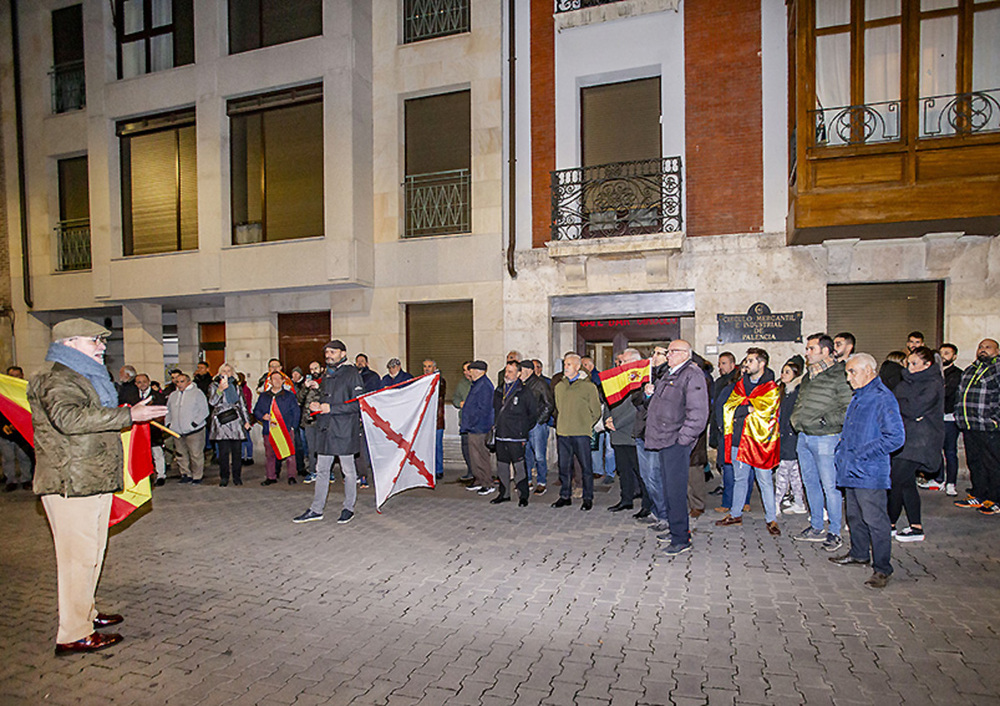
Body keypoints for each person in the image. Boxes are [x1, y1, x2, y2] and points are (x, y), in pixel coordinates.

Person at [28, 318, 167, 655]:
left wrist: (126, 413)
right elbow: (70, 420)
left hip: (90, 478)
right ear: (70, 343)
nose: (103, 346)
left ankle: (85, 613)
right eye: (95, 341)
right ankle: (73, 633)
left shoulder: (83, 376)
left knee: (91, 554)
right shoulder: (56, 378)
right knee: (77, 559)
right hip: (70, 482)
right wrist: (127, 417)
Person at [829, 353, 905, 590]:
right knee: (854, 515)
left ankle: (882, 568)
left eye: (852, 372)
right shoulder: (860, 395)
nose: (848, 378)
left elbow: (895, 437)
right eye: (847, 372)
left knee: (875, 520)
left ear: (869, 371)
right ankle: (859, 553)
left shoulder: (882, 398)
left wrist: (863, 452)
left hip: (870, 471)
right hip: (851, 468)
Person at [644, 340, 709, 556]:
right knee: (669, 489)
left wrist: (683, 439)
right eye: (668, 351)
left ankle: (681, 538)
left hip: (675, 441)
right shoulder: (670, 373)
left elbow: (698, 413)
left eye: (672, 351)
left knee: (676, 491)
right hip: (664, 439)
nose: (668, 355)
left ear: (685, 354)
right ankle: (674, 529)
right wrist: (649, 394)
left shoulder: (692, 374)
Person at [790, 333, 853, 553]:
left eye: (811, 349)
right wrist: (796, 420)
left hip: (826, 437)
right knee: (810, 483)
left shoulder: (839, 375)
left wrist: (826, 421)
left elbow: (849, 408)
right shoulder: (809, 376)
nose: (806, 353)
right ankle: (817, 526)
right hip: (805, 436)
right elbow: (801, 402)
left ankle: (834, 531)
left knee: (830, 486)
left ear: (825, 351)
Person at [293, 340, 364, 524]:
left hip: (344, 430)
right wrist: (317, 404)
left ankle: (348, 508)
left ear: (343, 353)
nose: (328, 355)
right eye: (327, 352)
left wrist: (330, 408)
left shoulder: (352, 373)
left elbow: (358, 404)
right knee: (321, 470)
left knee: (348, 472)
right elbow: (327, 399)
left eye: (333, 352)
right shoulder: (326, 375)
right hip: (325, 430)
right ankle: (316, 509)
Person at [715, 348, 782, 536]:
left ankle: (771, 519)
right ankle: (735, 514)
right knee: (739, 479)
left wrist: (744, 409)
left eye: (751, 361)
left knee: (765, 481)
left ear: (762, 364)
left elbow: (767, 412)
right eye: (746, 360)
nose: (746, 364)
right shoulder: (740, 386)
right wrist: (748, 408)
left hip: (759, 442)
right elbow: (729, 408)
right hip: (738, 439)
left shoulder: (770, 387)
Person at [888, 346, 944, 542]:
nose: (909, 367)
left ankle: (890, 523)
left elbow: (913, 408)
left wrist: (903, 405)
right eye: (908, 363)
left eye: (914, 364)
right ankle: (915, 526)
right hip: (906, 438)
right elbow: (893, 401)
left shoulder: (934, 383)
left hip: (920, 441)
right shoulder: (907, 381)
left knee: (895, 480)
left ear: (927, 365)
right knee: (906, 483)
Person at [953, 338, 1000, 515]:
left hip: (989, 426)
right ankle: (979, 494)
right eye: (980, 347)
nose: (983, 350)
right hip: (969, 424)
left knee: (993, 464)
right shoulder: (971, 369)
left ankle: (995, 499)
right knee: (975, 462)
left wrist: (996, 419)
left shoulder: (997, 368)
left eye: (988, 347)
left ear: (997, 351)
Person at [551, 353, 602, 511]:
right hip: (563, 432)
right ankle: (565, 495)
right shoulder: (560, 386)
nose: (565, 367)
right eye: (565, 364)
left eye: (569, 365)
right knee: (564, 466)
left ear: (578, 367)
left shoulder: (589, 387)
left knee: (586, 467)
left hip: (581, 433)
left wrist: (585, 424)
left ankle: (588, 498)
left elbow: (596, 411)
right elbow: (559, 407)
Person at [491, 360, 538, 506]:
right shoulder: (499, 390)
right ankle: (504, 494)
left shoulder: (524, 392)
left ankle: (523, 496)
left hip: (516, 437)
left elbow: (533, 414)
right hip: (501, 435)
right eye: (506, 371)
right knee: (502, 466)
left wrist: (522, 430)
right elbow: (494, 411)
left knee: (519, 467)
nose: (507, 374)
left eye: (511, 372)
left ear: (518, 374)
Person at [632, 346, 668, 525]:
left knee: (655, 477)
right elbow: (635, 399)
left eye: (658, 354)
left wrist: (652, 396)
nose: (653, 357)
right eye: (653, 353)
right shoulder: (647, 374)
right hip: (641, 431)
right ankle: (655, 511)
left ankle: (664, 515)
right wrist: (645, 394)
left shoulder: (669, 376)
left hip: (656, 434)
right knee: (646, 477)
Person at [604, 349, 642, 513]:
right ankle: (626, 500)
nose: (620, 364)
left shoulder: (640, 380)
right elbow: (608, 400)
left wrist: (617, 423)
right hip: (617, 433)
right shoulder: (617, 379)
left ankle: (647, 505)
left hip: (631, 432)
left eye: (623, 362)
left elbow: (636, 408)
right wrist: (607, 418)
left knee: (640, 472)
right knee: (623, 470)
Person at [208, 363, 253, 487]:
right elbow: (212, 402)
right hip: (221, 421)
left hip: (235, 420)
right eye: (224, 371)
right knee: (223, 453)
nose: (226, 373)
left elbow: (242, 404)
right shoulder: (214, 385)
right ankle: (224, 477)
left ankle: (237, 477)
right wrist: (220, 390)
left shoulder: (236, 386)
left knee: (237, 453)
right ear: (219, 373)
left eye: (229, 371)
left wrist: (247, 420)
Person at [254, 371, 302, 485]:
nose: (276, 381)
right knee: (270, 455)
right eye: (274, 379)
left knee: (290, 454)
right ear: (270, 381)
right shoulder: (264, 396)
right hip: (269, 430)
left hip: (285, 429)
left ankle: (291, 476)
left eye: (279, 379)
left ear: (283, 381)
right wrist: (262, 416)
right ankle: (271, 476)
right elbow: (256, 411)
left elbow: (296, 411)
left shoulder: (289, 396)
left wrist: (293, 427)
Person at [775, 357, 807, 515]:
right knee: (794, 474)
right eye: (782, 371)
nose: (783, 374)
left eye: (787, 372)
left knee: (784, 472)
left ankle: (776, 502)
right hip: (784, 437)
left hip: (790, 438)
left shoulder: (796, 392)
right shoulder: (783, 391)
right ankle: (799, 502)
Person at [165, 373, 210, 484]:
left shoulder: (197, 393)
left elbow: (204, 410)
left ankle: (197, 476)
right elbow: (168, 411)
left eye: (182, 381)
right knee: (181, 454)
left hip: (194, 431)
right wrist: (169, 424)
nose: (179, 384)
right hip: (177, 431)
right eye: (177, 382)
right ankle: (185, 474)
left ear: (188, 382)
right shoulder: (173, 395)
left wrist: (194, 423)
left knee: (196, 454)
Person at [459, 361, 494, 495]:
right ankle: (478, 480)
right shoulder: (477, 384)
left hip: (479, 428)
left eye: (471, 370)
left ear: (479, 371)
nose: (469, 373)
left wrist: (472, 421)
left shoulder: (484, 386)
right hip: (473, 427)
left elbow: (484, 409)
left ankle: (487, 482)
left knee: (481, 456)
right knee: (474, 456)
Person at [520, 359, 554, 495]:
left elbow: (549, 404)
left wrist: (539, 421)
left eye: (520, 370)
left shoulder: (540, 384)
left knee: (539, 455)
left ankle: (541, 482)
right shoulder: (520, 384)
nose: (518, 373)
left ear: (528, 371)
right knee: (526, 454)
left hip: (536, 426)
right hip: (524, 425)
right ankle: (527, 480)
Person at [935, 343, 963, 495]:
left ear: (954, 356)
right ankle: (939, 479)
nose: (943, 356)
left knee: (950, 451)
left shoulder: (957, 374)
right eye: (941, 353)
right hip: (935, 418)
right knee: (936, 449)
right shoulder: (935, 372)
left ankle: (951, 482)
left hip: (950, 418)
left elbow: (946, 393)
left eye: (947, 353)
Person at [1, 365, 33, 491]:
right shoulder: (3, 393)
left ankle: (26, 479)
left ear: (22, 376)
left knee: (24, 457)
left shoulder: (26, 390)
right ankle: (11, 480)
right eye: (11, 376)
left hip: (21, 430)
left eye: (17, 376)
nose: (14, 378)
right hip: (5, 432)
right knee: (8, 457)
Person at [135, 373, 167, 486]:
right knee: (141, 454)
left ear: (149, 382)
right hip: (138, 430)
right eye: (139, 382)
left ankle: (161, 475)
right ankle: (144, 476)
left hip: (154, 429)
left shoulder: (157, 396)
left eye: (144, 381)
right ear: (136, 384)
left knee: (157, 452)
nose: (142, 384)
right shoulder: (133, 396)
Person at [298, 361, 323, 483]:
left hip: (323, 421)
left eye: (316, 368)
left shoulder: (326, 382)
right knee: (311, 448)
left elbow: (330, 397)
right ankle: (312, 471)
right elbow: (299, 400)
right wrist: (305, 388)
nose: (314, 371)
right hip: (309, 421)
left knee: (324, 447)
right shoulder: (306, 384)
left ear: (321, 369)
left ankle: (327, 472)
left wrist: (319, 389)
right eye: (311, 369)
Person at [423, 359, 447, 480]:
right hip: (424, 421)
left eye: (429, 366)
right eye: (425, 366)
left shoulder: (440, 381)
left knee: (437, 446)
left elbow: (438, 394)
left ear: (434, 368)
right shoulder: (421, 381)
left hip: (437, 420)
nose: (427, 369)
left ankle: (438, 470)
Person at [453, 361, 474, 482]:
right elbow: (455, 397)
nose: (465, 372)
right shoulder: (461, 383)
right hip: (464, 421)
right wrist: (459, 403)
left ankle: (478, 473)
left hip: (475, 423)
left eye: (467, 369)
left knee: (476, 450)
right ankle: (470, 471)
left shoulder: (478, 383)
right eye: (464, 370)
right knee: (465, 448)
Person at [237, 372, 255, 464]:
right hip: (238, 417)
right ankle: (242, 456)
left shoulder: (245, 390)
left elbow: (246, 405)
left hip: (244, 416)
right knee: (240, 439)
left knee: (246, 438)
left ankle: (249, 456)